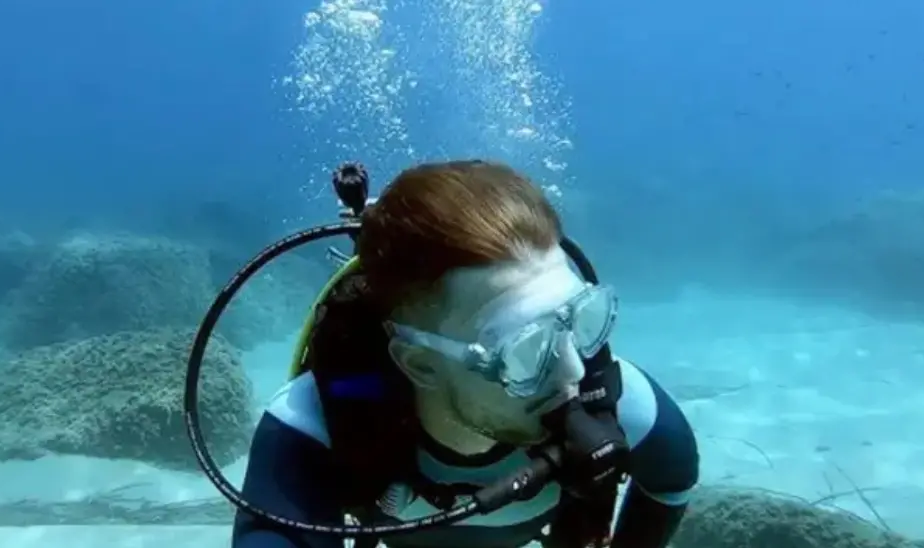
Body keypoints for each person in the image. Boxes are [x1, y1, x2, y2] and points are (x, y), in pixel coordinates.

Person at [234, 160, 699, 548]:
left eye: (580, 318)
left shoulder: (623, 406)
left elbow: (670, 482)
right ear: (419, 363)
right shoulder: (313, 427)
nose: (573, 368)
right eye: (526, 347)